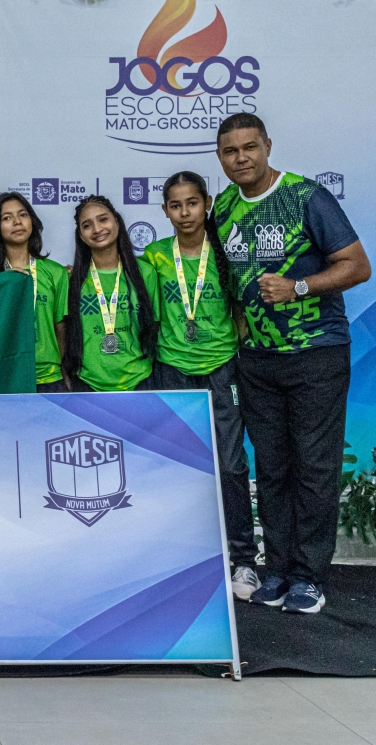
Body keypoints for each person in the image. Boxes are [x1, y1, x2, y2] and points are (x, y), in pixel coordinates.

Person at [213, 112, 370, 613]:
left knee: (314, 467)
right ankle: (278, 569)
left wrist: (298, 286)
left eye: (249, 147)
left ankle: (308, 577)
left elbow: (357, 266)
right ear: (220, 157)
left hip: (316, 353)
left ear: (267, 146)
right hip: (258, 361)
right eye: (230, 151)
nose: (241, 158)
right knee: (273, 468)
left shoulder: (306, 196)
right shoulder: (222, 208)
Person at [144, 172, 259, 599]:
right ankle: (183, 559)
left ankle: (244, 560)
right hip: (172, 370)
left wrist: (233, 352)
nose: (184, 213)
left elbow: (241, 309)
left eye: (192, 203)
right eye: (175, 206)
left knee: (230, 466)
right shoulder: (155, 256)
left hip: (222, 369)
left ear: (207, 203)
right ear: (164, 211)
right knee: (179, 466)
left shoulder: (226, 252)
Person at [62, 195, 159, 392]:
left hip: (139, 381)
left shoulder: (145, 273)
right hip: (88, 383)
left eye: (103, 219)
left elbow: (155, 327)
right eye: (87, 225)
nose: (97, 229)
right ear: (81, 235)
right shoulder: (71, 280)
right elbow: (63, 332)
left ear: (116, 221)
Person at [0, 192, 68, 393]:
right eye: (6, 218)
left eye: (23, 214)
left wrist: (65, 371)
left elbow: (60, 328)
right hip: (2, 375)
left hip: (49, 378)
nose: (17, 222)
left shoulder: (55, 272)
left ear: (32, 221)